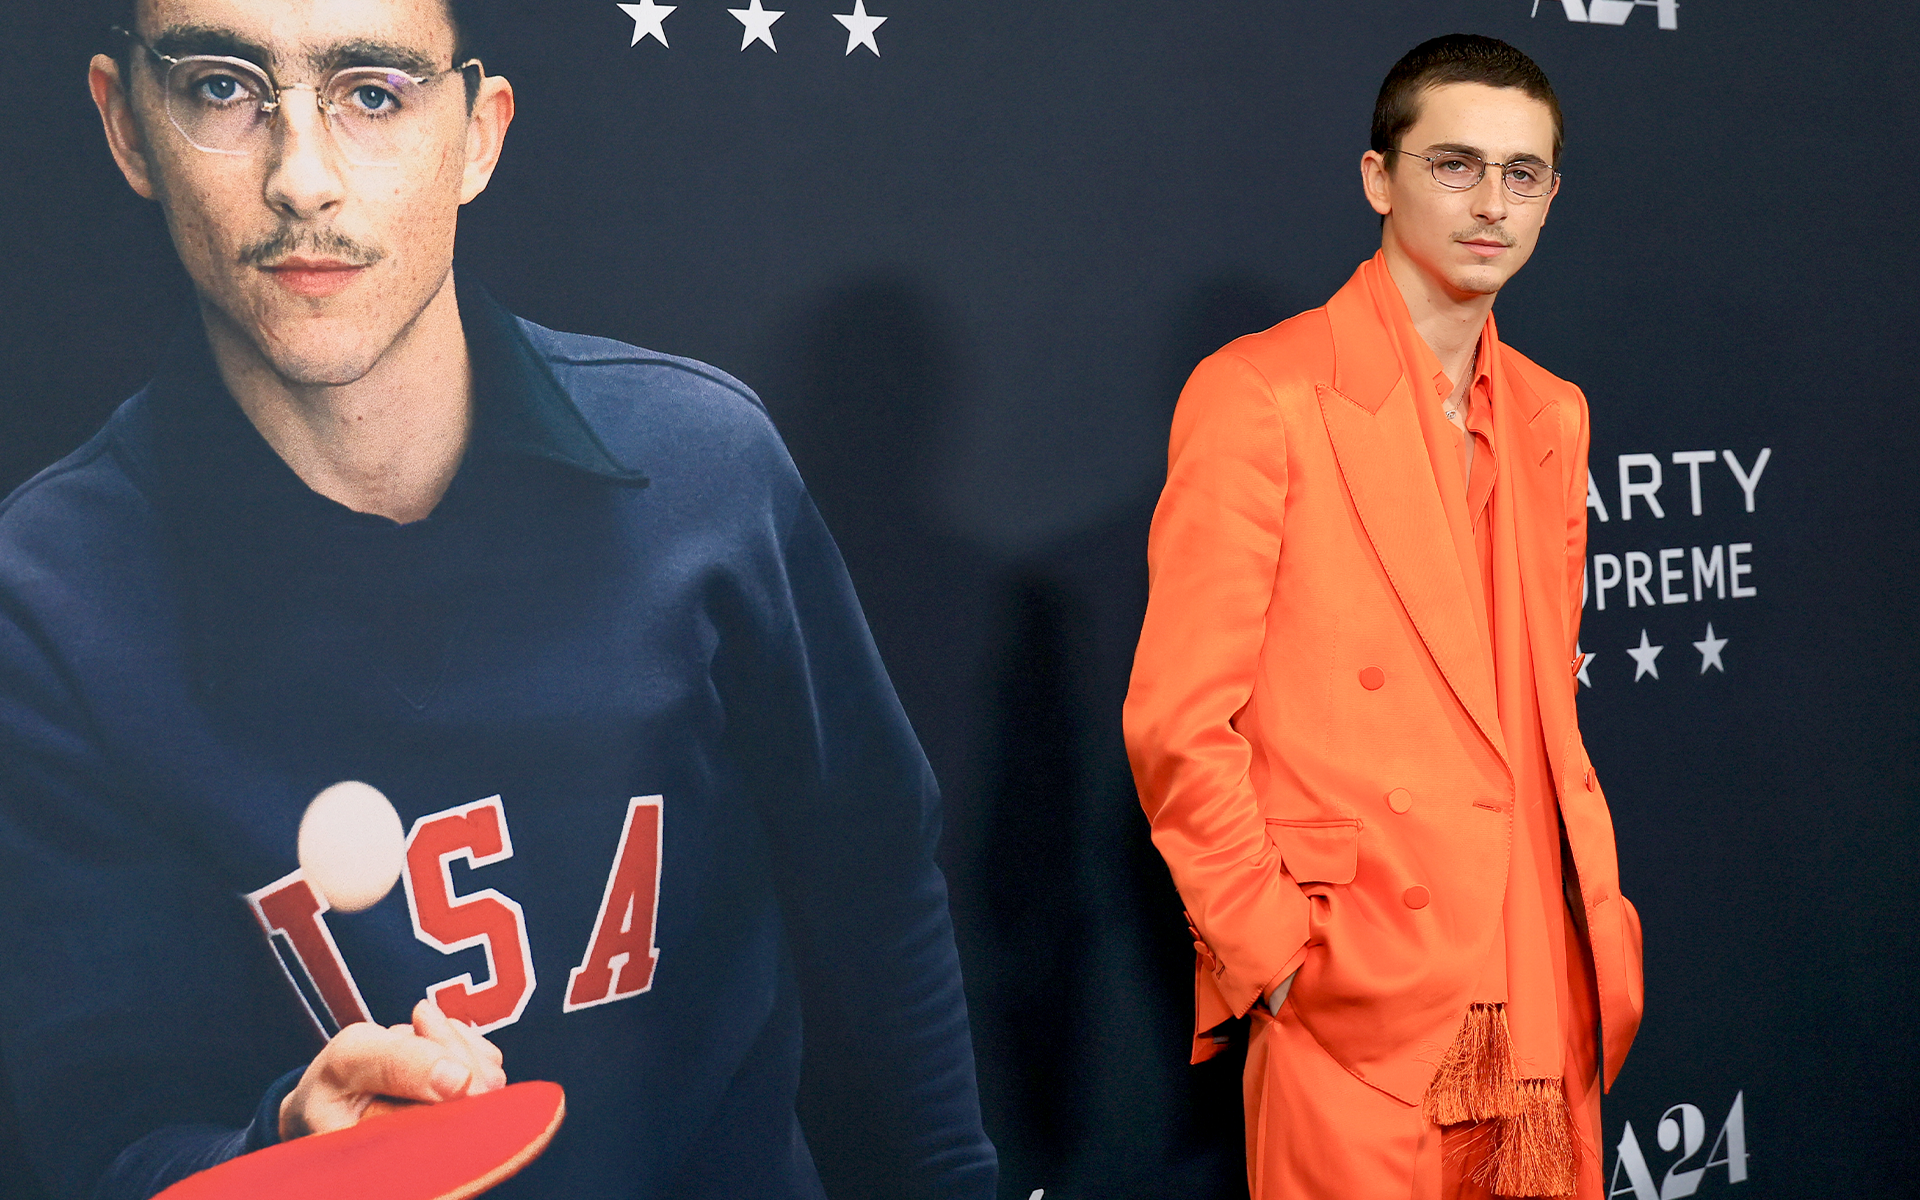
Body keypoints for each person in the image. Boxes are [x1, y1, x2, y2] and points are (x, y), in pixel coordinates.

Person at [0, 1, 995, 1197]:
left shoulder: (705, 472)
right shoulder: (48, 602)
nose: (302, 178)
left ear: (478, 133)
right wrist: (284, 1156)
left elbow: (877, 899)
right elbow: (104, 1141)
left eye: (373, 93)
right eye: (223, 87)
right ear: (127, 125)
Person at [1123, 34, 1644, 1200]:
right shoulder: (1261, 394)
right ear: (1378, 178)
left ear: (1551, 196)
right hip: (1359, 998)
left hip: (1542, 976)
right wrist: (1275, 956)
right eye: (1455, 165)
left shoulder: (1554, 415)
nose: (1492, 203)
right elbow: (1177, 721)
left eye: (1523, 174)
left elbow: (1538, 701)